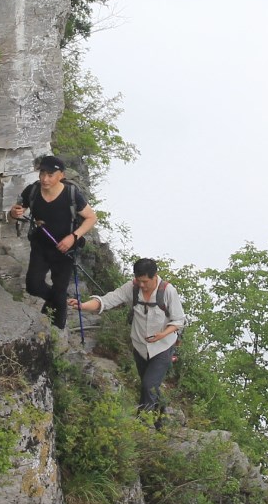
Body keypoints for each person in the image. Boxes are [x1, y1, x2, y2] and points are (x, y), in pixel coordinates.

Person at [71, 259, 185, 415]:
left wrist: (162, 335)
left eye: (145, 281)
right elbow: (107, 300)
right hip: (139, 347)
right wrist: (82, 306)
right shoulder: (132, 288)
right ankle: (161, 416)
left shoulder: (168, 291)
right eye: (138, 280)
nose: (141, 285)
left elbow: (179, 320)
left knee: (148, 385)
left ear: (154, 276)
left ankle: (143, 422)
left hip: (162, 347)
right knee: (149, 385)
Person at [10, 155, 96, 329]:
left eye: (50, 175)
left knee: (59, 289)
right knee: (33, 285)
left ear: (61, 175)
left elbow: (91, 217)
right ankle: (56, 302)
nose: (45, 179)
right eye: (42, 173)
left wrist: (73, 237)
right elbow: (15, 213)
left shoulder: (71, 194)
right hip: (40, 245)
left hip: (65, 250)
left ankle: (58, 329)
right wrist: (13, 213)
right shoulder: (32, 191)